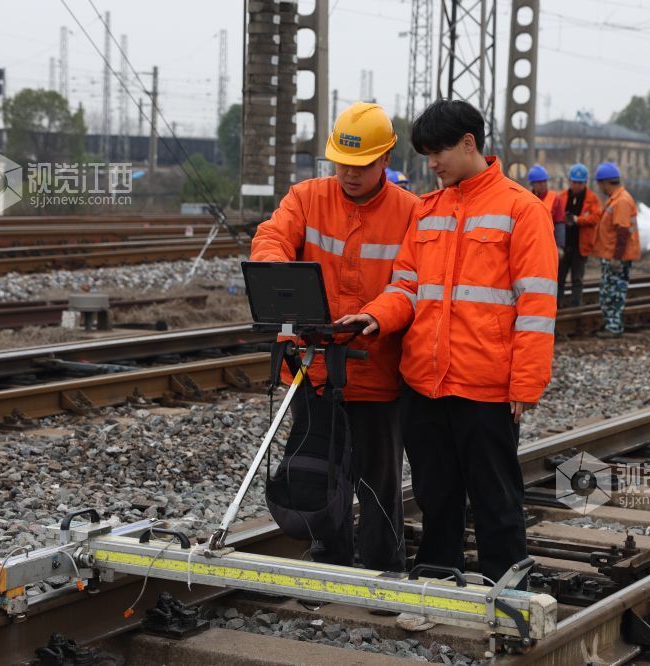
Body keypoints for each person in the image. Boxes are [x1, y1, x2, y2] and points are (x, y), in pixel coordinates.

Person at [337, 100, 558, 629]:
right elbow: (407, 287)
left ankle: (509, 607)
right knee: (436, 498)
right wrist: (375, 317)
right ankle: (436, 594)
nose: (431, 162)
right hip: (424, 383)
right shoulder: (428, 211)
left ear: (468, 143)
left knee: (496, 503)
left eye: (437, 151)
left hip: (485, 387)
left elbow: (537, 303)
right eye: (425, 153)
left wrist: (526, 383)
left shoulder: (520, 210)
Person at [250, 102, 419, 572]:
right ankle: (328, 566)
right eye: (342, 163)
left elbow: (410, 284)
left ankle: (384, 572)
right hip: (316, 369)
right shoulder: (306, 197)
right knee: (319, 477)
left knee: (379, 483)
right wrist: (276, 278)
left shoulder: (411, 212)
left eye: (361, 165)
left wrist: (375, 316)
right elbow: (271, 238)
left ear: (385, 160)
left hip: (377, 374)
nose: (349, 173)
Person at [592, 162, 640, 338]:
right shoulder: (617, 199)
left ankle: (614, 327)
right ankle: (611, 325)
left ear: (605, 182)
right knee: (609, 292)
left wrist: (616, 259)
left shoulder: (621, 201)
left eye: (599, 184)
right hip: (611, 255)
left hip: (616, 257)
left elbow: (622, 232)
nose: (599, 188)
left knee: (614, 293)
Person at [556, 163, 602, 307]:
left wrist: (577, 220)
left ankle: (576, 305)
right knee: (559, 278)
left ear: (585, 183)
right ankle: (556, 305)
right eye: (574, 182)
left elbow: (595, 218)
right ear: (570, 181)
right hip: (563, 246)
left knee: (577, 279)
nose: (576, 185)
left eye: (580, 183)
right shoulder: (562, 197)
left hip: (580, 246)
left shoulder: (592, 199)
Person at [528, 164, 566, 251]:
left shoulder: (555, 198)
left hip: (549, 243)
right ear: (532, 184)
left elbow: (559, 223)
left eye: (544, 181)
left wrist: (560, 246)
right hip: (532, 242)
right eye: (539, 182)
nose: (543, 184)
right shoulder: (526, 198)